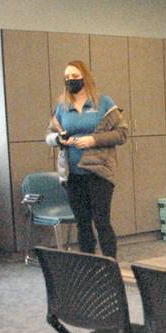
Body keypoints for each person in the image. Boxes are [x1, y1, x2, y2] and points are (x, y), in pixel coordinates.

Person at [45, 60, 128, 257]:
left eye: (75, 77)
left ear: (85, 78)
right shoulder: (62, 107)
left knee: (101, 221)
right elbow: (49, 135)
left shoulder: (104, 103)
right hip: (73, 174)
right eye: (67, 78)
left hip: (99, 172)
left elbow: (122, 134)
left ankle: (110, 264)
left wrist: (93, 140)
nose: (71, 81)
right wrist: (58, 139)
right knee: (82, 222)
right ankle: (89, 265)